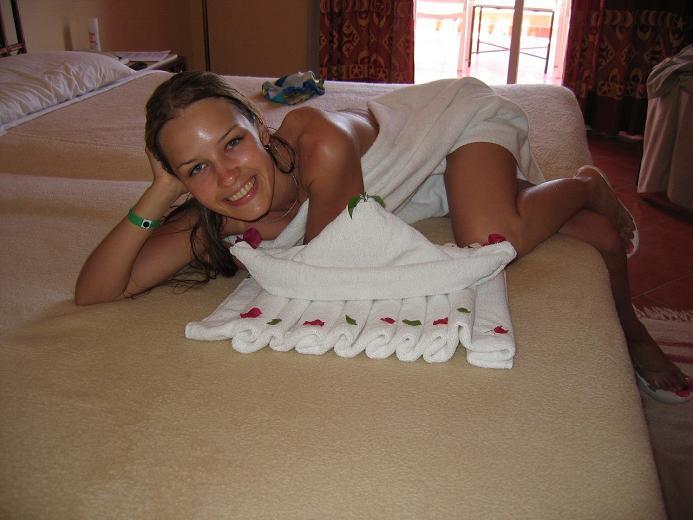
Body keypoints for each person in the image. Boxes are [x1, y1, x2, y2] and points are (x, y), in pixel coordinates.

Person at [75, 71, 689, 398]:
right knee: (597, 240)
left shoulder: (318, 141)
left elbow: (330, 266)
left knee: (490, 233)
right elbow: (97, 291)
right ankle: (631, 327)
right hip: (421, 190)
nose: (227, 176)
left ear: (260, 128)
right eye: (196, 168)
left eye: (232, 143)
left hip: (453, 126)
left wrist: (191, 187)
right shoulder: (211, 213)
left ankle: (586, 185)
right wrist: (159, 193)